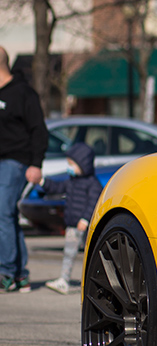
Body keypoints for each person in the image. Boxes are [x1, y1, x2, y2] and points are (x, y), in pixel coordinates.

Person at [0, 47, 47, 292]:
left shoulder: (23, 93)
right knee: (6, 216)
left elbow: (39, 129)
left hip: (15, 161)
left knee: (2, 213)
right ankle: (20, 275)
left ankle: (5, 272)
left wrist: (36, 163)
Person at [38, 142, 102, 295]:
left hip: (83, 227)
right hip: (72, 226)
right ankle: (64, 280)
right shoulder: (71, 181)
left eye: (72, 164)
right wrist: (42, 181)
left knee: (93, 256)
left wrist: (85, 219)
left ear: (83, 164)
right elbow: (57, 188)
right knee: (69, 253)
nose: (69, 167)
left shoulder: (92, 184)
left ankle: (94, 282)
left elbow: (94, 203)